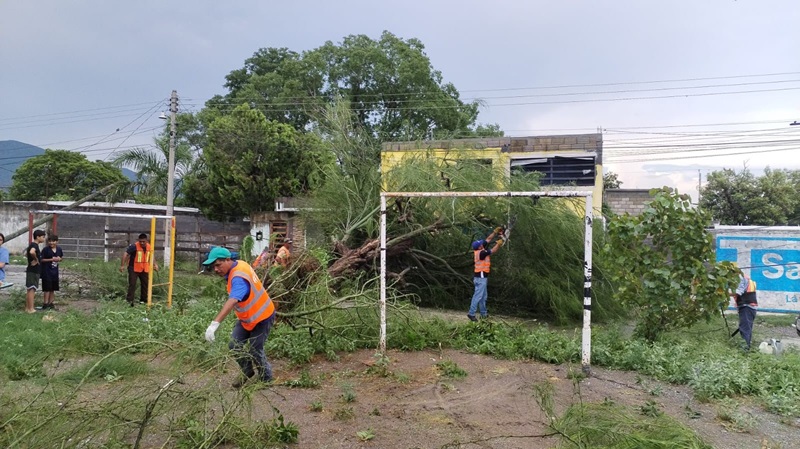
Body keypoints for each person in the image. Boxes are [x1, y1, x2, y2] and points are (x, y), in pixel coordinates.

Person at [203, 246, 276, 388]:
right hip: (247, 318)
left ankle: (266, 379)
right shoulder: (239, 265)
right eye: (213, 267)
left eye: (218, 265)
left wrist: (214, 324)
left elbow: (232, 300)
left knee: (255, 348)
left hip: (262, 316)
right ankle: (247, 370)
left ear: (228, 259)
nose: (216, 269)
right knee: (234, 344)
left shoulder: (238, 278)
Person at [467, 226, 506, 322]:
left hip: (482, 277)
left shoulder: (480, 249)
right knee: (478, 296)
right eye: (481, 244)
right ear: (479, 247)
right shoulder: (481, 253)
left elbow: (488, 239)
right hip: (481, 277)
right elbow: (493, 250)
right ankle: (471, 313)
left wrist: (495, 232)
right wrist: (499, 243)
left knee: (483, 297)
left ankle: (483, 314)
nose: (482, 244)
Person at [119, 233, 159, 306]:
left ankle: (143, 301)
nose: (142, 243)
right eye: (140, 241)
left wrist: (155, 264)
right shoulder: (134, 246)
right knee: (132, 284)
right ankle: (129, 302)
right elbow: (125, 254)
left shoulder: (149, 247)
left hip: (144, 269)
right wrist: (122, 265)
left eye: (143, 241)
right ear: (138, 240)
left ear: (146, 240)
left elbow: (151, 256)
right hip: (133, 268)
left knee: (145, 285)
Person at [733, 268, 758, 351]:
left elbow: (738, 292)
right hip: (749, 307)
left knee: (745, 328)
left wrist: (724, 293)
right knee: (746, 328)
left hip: (746, 306)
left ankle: (745, 350)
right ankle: (747, 347)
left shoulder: (741, 279)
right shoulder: (746, 278)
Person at [40, 234, 64, 310]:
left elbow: (61, 258)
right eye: (50, 241)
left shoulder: (59, 249)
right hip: (47, 272)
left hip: (55, 272)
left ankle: (51, 303)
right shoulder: (45, 250)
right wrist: (51, 259)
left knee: (53, 288)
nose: (51, 243)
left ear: (57, 241)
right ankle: (45, 304)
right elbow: (41, 260)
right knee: (47, 289)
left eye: (53, 241)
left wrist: (59, 259)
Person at [25, 229, 46, 313]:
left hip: (31, 270)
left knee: (29, 289)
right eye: (43, 237)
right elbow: (31, 252)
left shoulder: (32, 245)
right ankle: (31, 309)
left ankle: (28, 308)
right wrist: (36, 259)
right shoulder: (34, 245)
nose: (44, 238)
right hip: (33, 270)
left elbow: (26, 253)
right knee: (32, 289)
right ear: (38, 237)